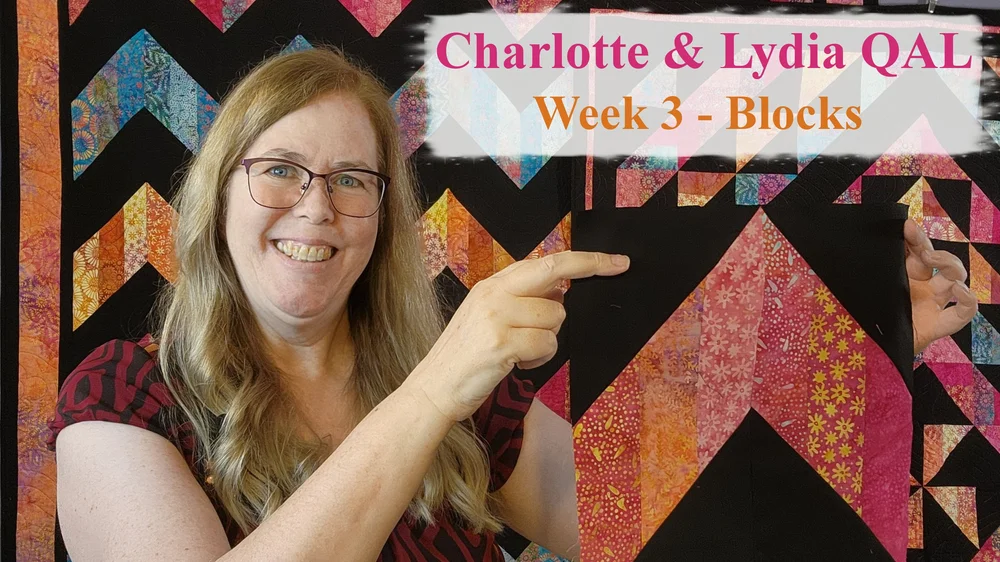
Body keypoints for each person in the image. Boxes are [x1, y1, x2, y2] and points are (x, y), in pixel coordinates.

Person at [46, 46, 977, 562]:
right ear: (218, 197)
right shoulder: (121, 401)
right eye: (280, 170)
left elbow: (655, 519)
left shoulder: (470, 402)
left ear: (384, 218)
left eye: (353, 180)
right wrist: (432, 388)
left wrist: (843, 333)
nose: (317, 208)